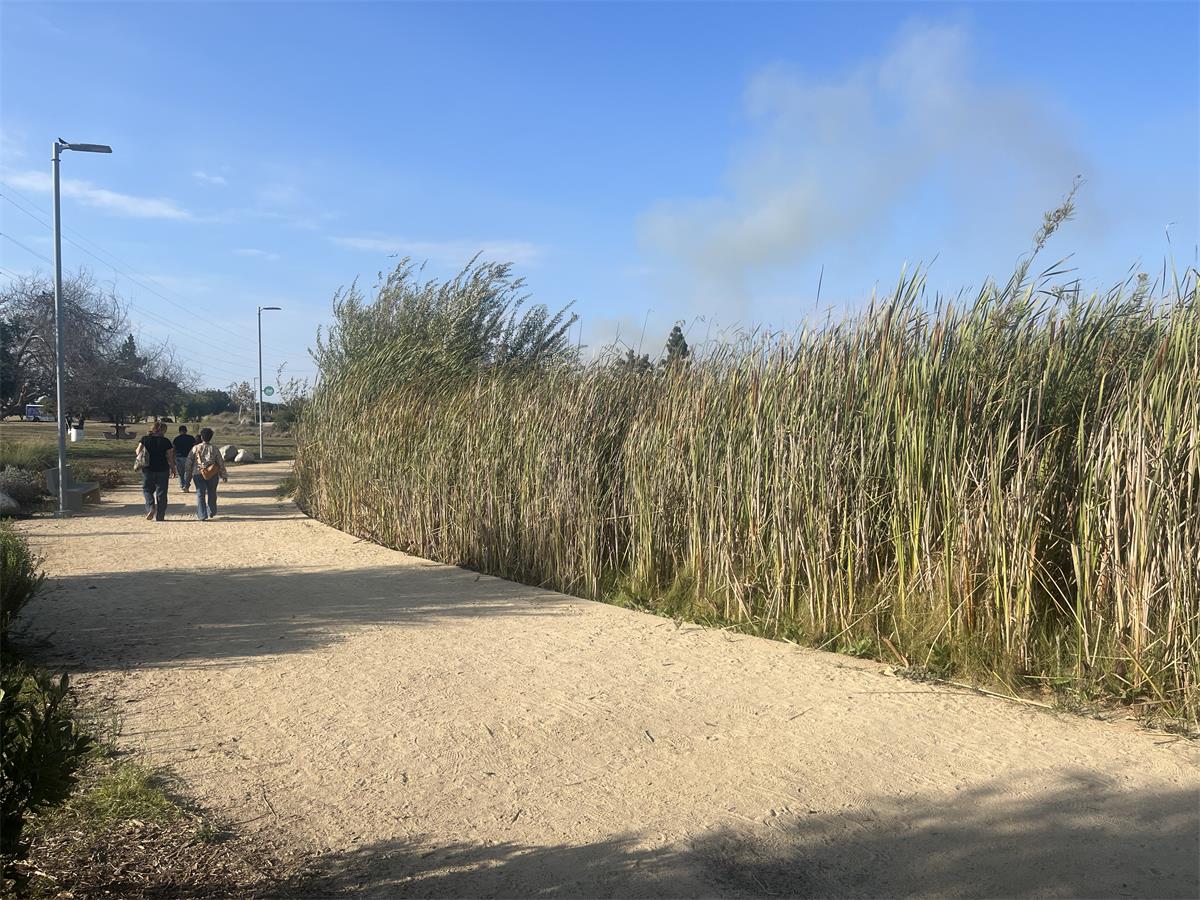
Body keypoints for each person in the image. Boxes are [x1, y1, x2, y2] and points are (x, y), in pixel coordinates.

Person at [136, 420, 176, 521]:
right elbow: (170, 457)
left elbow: (137, 451)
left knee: (147, 490)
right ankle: (160, 516)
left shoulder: (145, 439)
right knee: (162, 493)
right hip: (163, 469)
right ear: (163, 430)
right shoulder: (166, 441)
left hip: (148, 468)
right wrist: (173, 469)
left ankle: (151, 507)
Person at [186, 427, 228, 521]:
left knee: (200, 493)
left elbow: (189, 462)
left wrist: (188, 475)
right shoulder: (214, 449)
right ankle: (211, 511)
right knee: (212, 492)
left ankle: (202, 514)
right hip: (212, 473)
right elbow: (220, 462)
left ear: (201, 437)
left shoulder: (195, 448)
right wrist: (223, 474)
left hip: (198, 473)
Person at [172, 425, 197, 491]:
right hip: (188, 457)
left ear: (179, 431)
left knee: (181, 473)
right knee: (188, 473)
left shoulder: (176, 439)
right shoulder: (191, 438)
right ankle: (186, 486)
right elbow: (195, 448)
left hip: (179, 458)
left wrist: (173, 459)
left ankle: (182, 485)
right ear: (186, 431)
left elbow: (173, 449)